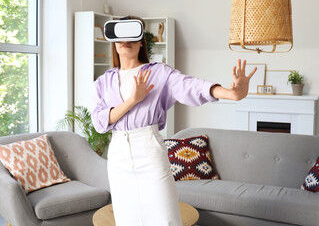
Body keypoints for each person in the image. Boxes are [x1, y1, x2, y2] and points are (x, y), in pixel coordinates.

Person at [91, 16, 256, 226]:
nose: (126, 40)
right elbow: (99, 122)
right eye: (120, 35)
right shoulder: (103, 82)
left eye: (132, 33)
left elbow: (190, 86)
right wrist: (133, 100)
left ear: (142, 40)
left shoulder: (159, 73)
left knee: (166, 218)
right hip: (118, 156)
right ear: (113, 41)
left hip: (148, 150)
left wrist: (231, 94)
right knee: (126, 220)